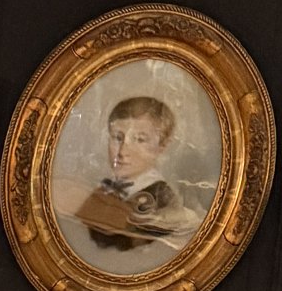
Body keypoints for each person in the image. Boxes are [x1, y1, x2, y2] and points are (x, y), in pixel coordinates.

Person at [67, 94, 201, 256]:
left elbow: (125, 251)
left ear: (162, 146)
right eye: (117, 137)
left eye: (140, 140)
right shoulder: (104, 188)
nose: (123, 152)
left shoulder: (161, 198)